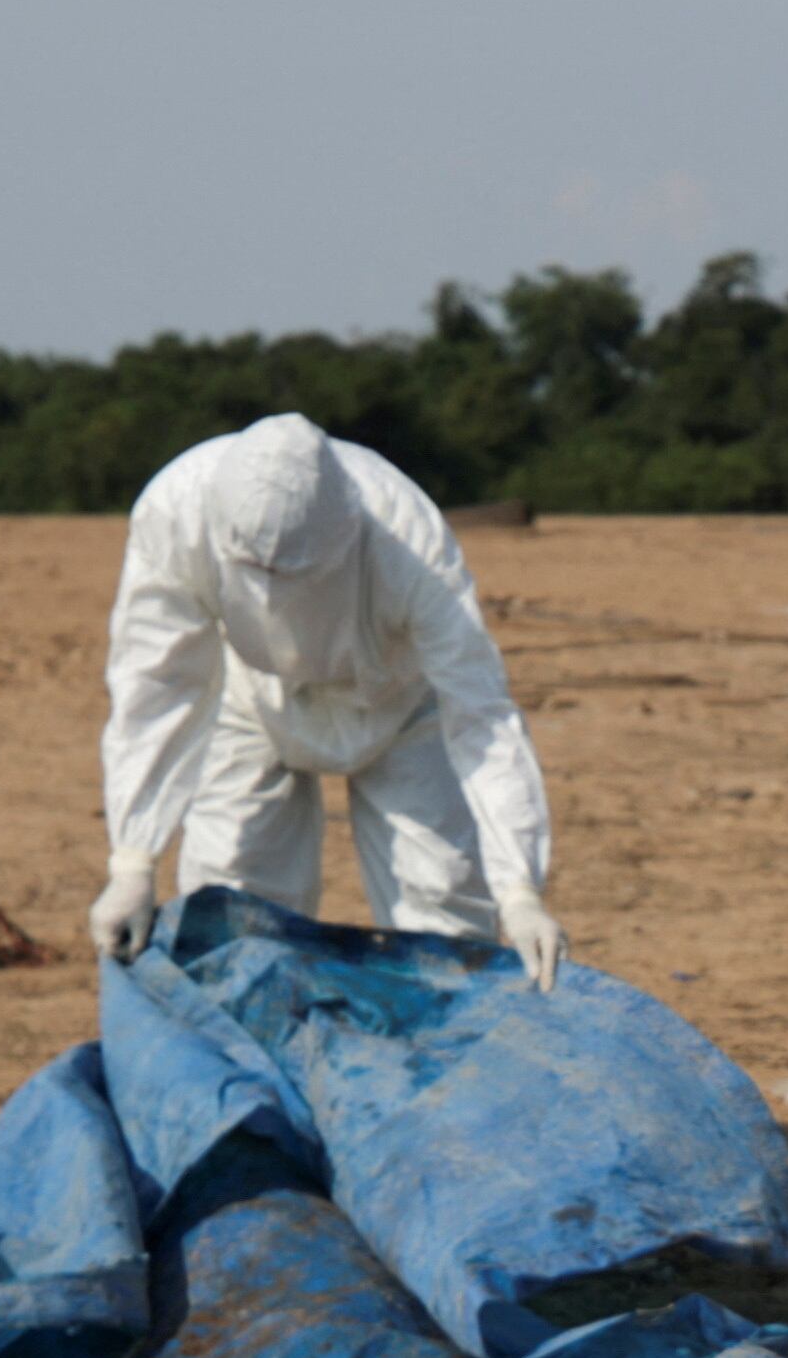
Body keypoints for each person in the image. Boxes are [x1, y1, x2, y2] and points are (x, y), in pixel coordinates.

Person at [87, 413, 566, 986]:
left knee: (442, 912)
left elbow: (480, 713)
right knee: (235, 902)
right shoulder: (175, 510)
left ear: (347, 532)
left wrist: (518, 889)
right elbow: (157, 681)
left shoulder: (410, 541)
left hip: (400, 703)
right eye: (252, 569)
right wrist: (134, 860)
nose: (271, 594)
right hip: (251, 697)